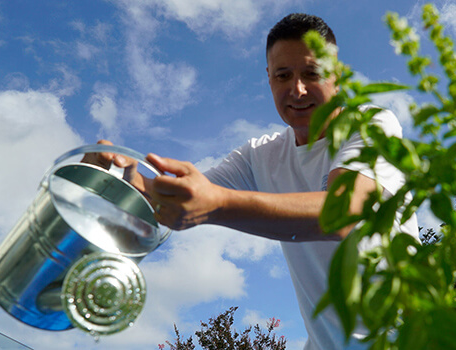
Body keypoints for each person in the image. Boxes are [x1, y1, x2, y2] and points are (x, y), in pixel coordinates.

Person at [92, 13, 418, 350]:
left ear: (337, 76)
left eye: (312, 73)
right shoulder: (259, 155)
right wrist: (117, 175)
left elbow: (342, 213)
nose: (298, 89)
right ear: (269, 79)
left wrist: (216, 205)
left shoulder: (372, 126)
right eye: (283, 76)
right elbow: (175, 200)